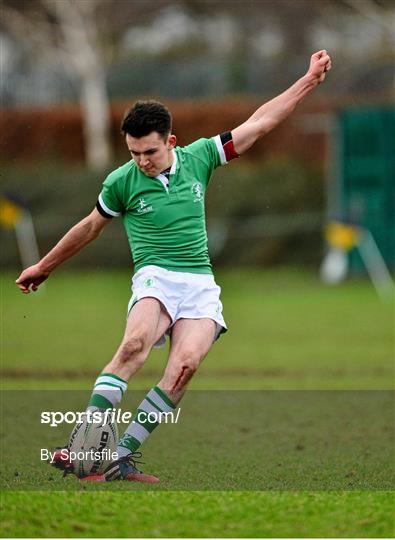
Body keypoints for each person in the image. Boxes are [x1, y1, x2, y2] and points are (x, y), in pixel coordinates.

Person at [16, 50, 332, 483]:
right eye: (133, 153)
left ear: (171, 142)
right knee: (133, 346)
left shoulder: (201, 157)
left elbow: (259, 123)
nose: (141, 161)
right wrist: (44, 266)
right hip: (155, 276)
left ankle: (118, 458)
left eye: (149, 151)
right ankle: (83, 445)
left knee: (184, 368)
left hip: (200, 285)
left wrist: (309, 80)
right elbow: (90, 227)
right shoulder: (122, 180)